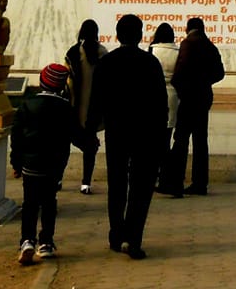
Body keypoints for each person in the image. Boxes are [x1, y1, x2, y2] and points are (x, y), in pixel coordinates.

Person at [87, 14, 167, 259]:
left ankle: (116, 234)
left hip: (117, 131)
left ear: (119, 35)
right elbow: (161, 102)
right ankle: (133, 239)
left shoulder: (107, 62)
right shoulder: (150, 63)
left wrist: (90, 129)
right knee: (141, 187)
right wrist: (162, 134)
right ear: (140, 35)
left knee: (117, 184)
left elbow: (96, 99)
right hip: (145, 133)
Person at [11, 63, 75, 266]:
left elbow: (17, 136)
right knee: (49, 203)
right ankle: (46, 242)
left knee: (30, 203)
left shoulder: (27, 105)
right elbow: (73, 134)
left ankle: (27, 241)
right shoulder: (65, 107)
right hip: (54, 165)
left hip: (31, 163)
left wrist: (16, 162)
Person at [166, 16, 225, 196]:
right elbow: (219, 73)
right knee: (200, 141)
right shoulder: (210, 46)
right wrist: (205, 82)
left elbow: (180, 70)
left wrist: (181, 88)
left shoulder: (188, 44)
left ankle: (175, 182)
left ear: (188, 29)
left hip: (189, 97)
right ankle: (200, 183)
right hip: (204, 97)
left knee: (181, 139)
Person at [65, 19, 105, 194]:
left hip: (74, 107)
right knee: (90, 146)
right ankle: (86, 183)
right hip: (94, 108)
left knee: (65, 144)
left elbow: (67, 82)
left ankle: (58, 178)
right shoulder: (102, 53)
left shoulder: (73, 53)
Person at [149, 23, 181, 193]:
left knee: (154, 139)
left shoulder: (153, 51)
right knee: (166, 138)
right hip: (173, 96)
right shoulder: (178, 52)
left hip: (155, 96)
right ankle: (166, 177)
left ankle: (155, 175)